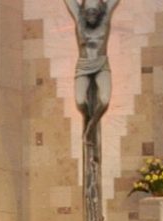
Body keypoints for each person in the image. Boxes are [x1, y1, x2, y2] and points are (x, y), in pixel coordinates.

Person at [65, 0, 122, 138]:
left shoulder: (105, 17)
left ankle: (92, 124)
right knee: (79, 101)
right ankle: (86, 116)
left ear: (99, 12)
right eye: (88, 12)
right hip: (83, 65)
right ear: (83, 12)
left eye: (94, 12)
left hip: (101, 64)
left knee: (105, 100)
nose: (91, 15)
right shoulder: (79, 18)